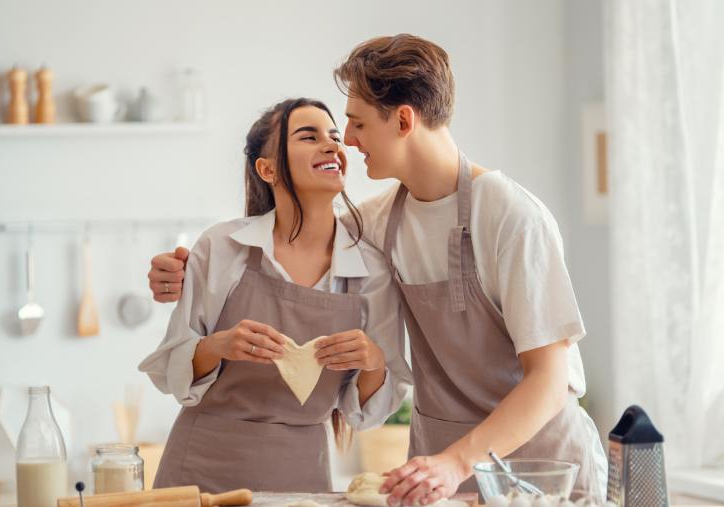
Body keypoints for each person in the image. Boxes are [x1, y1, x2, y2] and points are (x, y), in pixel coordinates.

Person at [147, 35, 608, 503]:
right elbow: (291, 238)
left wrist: (456, 462)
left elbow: (549, 381)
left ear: (404, 120)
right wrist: (180, 272)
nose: (346, 140)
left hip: (536, 470)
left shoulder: (512, 217)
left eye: (356, 123)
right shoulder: (377, 221)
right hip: (436, 469)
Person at [138, 97, 411, 493]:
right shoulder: (222, 246)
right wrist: (219, 345)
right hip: (200, 472)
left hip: (301, 477)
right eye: (309, 136)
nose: (332, 144)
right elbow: (171, 370)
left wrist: (372, 361)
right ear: (267, 169)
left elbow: (365, 413)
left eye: (334, 136)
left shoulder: (371, 270)